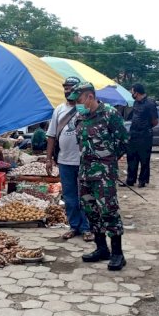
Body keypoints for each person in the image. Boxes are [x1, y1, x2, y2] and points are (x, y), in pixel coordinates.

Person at [68, 82, 129, 271]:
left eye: (78, 100)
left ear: (90, 97)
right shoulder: (80, 117)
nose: (76, 104)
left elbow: (123, 141)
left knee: (108, 211)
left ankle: (118, 253)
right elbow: (80, 144)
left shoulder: (109, 114)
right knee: (91, 211)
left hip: (104, 174)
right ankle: (102, 248)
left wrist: (107, 161)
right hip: (85, 172)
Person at [46, 76, 93, 242]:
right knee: (70, 197)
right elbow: (51, 136)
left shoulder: (85, 109)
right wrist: (48, 159)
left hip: (83, 161)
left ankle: (87, 228)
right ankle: (74, 226)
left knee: (85, 196)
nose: (67, 91)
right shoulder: (59, 110)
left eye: (71, 88)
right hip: (64, 161)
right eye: (65, 87)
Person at [125, 83, 158, 188]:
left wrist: (145, 127)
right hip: (133, 134)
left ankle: (142, 181)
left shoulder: (150, 103)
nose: (131, 93)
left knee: (144, 159)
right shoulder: (135, 103)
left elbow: (155, 121)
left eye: (132, 91)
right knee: (131, 157)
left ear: (137, 92)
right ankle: (130, 180)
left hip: (145, 135)